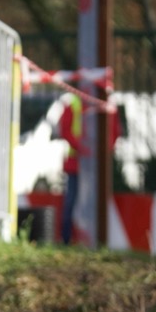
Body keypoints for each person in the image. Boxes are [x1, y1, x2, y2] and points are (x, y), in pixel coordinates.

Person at [58, 86, 120, 245]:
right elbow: (65, 129)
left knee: (92, 204)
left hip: (96, 166)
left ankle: (93, 240)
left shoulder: (108, 106)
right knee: (72, 201)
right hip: (76, 164)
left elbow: (114, 133)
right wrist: (83, 148)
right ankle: (67, 240)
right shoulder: (75, 103)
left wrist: (100, 152)